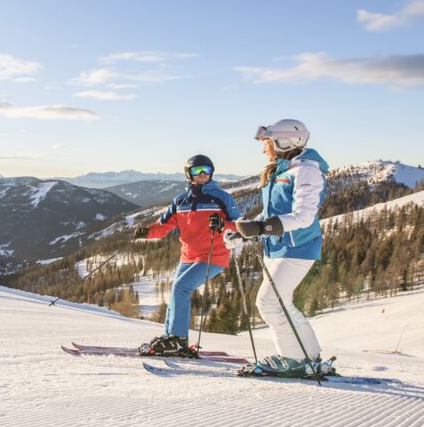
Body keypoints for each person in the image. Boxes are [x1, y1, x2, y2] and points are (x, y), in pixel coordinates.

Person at [233, 119, 333, 377]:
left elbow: (304, 216)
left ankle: (292, 359)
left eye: (267, 143)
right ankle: (309, 356)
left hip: (297, 247)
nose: (264, 149)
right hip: (278, 248)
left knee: (268, 303)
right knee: (282, 303)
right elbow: (272, 213)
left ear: (284, 142)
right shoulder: (281, 170)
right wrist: (247, 230)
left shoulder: (306, 171)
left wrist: (262, 228)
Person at [133, 155, 242, 356]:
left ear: (212, 173)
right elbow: (163, 226)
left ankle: (178, 340)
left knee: (181, 288)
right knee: (176, 292)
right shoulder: (180, 201)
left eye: (206, 171)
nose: (202, 175)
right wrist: (147, 232)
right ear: (188, 174)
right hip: (188, 256)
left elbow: (239, 225)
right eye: (196, 171)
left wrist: (223, 225)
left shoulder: (222, 198)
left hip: (214, 255)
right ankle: (170, 337)